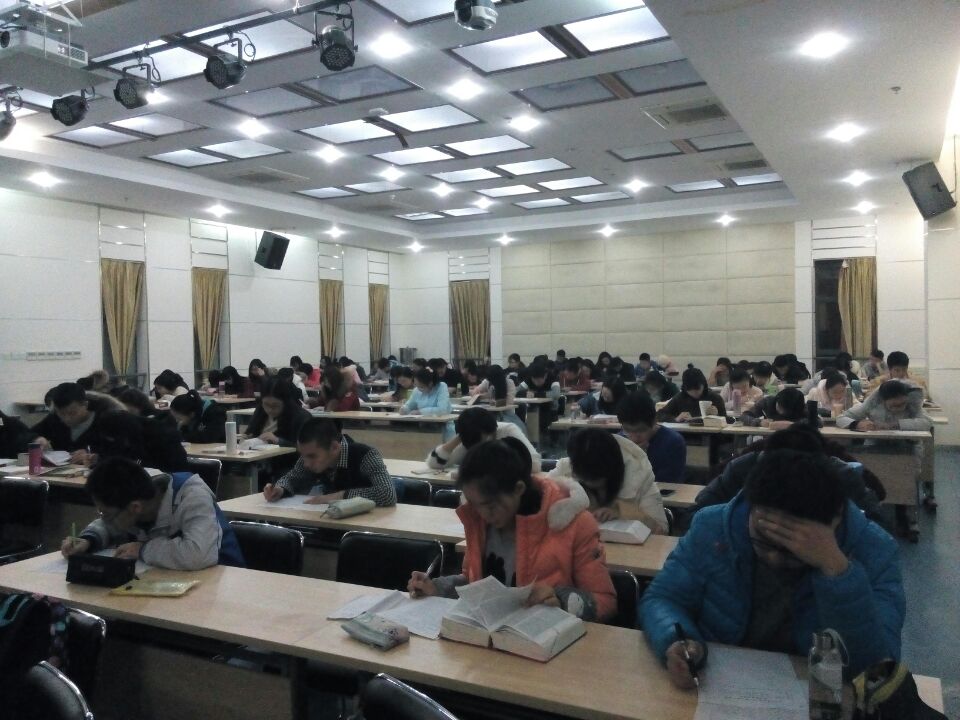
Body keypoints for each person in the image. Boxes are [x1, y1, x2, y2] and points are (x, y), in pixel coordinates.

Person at [640, 448, 905, 686]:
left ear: (835, 521)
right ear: (751, 508)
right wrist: (677, 639)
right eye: (763, 542)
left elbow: (876, 669)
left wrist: (837, 569)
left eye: (792, 549)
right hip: (720, 681)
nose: (775, 558)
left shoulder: (875, 551)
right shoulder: (714, 526)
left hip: (818, 693)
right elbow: (663, 597)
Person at [407, 438, 616, 622]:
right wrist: (438, 589)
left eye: (490, 505)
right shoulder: (478, 521)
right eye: (475, 504)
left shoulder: (574, 523)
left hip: (548, 641)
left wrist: (561, 600)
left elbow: (606, 602)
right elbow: (475, 584)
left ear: (518, 489)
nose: (484, 514)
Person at [61, 457, 244, 569]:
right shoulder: (133, 489)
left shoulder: (191, 496)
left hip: (221, 578)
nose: (104, 518)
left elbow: (198, 555)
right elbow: (110, 521)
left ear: (135, 508)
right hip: (166, 578)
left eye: (106, 514)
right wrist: (89, 539)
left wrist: (143, 549)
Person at [687, 424, 883, 527]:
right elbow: (696, 513)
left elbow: (878, 526)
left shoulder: (839, 473)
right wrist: (739, 526)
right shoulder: (746, 466)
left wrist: (834, 548)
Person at [550, 428, 668, 533]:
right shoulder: (565, 472)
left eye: (601, 484)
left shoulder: (640, 474)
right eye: (588, 482)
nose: (599, 490)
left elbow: (661, 530)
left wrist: (622, 511)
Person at [262, 418, 396, 506]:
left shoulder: (366, 455)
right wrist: (280, 489)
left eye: (312, 456)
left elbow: (387, 494)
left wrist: (339, 496)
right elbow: (291, 478)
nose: (306, 463)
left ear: (334, 447)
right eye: (303, 455)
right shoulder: (310, 456)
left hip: (368, 524)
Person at [427, 406, 540, 472]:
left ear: (492, 430)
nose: (480, 447)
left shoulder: (508, 430)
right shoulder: (470, 438)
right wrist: (458, 439)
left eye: (484, 440)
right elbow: (434, 464)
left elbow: (535, 464)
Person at [35, 383, 124, 465]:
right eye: (61, 414)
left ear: (85, 404)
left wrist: (93, 456)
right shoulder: (54, 419)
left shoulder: (110, 420)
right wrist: (37, 439)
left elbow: (122, 453)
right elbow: (30, 433)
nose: (67, 418)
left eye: (72, 413)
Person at [617, 392, 686, 485]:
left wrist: (640, 459)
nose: (633, 438)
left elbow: (667, 485)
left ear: (654, 422)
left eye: (640, 430)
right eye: (627, 430)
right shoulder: (619, 441)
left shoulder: (672, 442)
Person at [116, 387, 189, 472]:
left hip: (162, 467)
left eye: (126, 407)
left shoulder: (157, 421)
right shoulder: (161, 418)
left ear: (136, 405)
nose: (124, 411)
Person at [244, 378, 312, 447]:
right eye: (266, 404)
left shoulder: (300, 417)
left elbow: (306, 447)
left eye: (275, 405)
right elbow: (250, 433)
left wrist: (278, 441)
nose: (270, 410)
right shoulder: (260, 410)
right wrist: (246, 437)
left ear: (285, 402)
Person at [400, 368, 454, 439]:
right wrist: (404, 409)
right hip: (423, 426)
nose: (419, 389)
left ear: (430, 383)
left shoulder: (441, 387)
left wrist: (420, 412)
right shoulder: (417, 390)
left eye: (421, 387)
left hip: (443, 427)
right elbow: (410, 405)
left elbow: (442, 409)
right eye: (417, 385)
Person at [655, 367, 726, 422]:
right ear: (685, 389)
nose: (695, 394)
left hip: (711, 435)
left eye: (698, 389)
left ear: (704, 384)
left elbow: (727, 420)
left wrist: (717, 416)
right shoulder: (680, 398)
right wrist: (676, 419)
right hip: (686, 434)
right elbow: (659, 415)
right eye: (691, 391)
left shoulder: (715, 398)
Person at [516, 363, 562, 435]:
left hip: (550, 407)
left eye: (539, 381)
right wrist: (525, 393)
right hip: (532, 406)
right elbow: (516, 391)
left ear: (545, 376)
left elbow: (556, 394)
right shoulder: (529, 378)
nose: (536, 383)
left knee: (542, 419)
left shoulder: (553, 378)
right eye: (534, 380)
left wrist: (535, 394)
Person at [741, 388, 807, 429]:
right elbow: (744, 416)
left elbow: (812, 421)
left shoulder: (801, 407)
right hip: (769, 440)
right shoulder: (767, 402)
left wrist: (793, 425)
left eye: (786, 410)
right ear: (777, 399)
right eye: (780, 407)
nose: (781, 412)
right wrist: (759, 422)